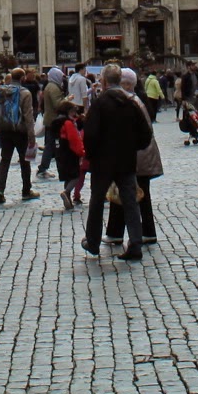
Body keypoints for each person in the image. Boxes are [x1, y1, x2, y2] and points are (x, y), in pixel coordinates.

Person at [80, 62, 149, 260]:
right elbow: (146, 133)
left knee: (97, 201)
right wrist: (132, 148)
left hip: (103, 162)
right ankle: (135, 244)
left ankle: (92, 242)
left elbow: (90, 135)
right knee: (130, 202)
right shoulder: (131, 102)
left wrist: (91, 155)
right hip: (126, 161)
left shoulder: (100, 103)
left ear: (103, 80)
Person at [104, 70, 160, 248]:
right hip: (141, 156)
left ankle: (117, 234)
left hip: (136, 157)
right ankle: (144, 232)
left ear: (127, 84)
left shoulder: (131, 102)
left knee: (125, 194)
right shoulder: (136, 101)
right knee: (134, 194)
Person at [0, 67, 40, 204]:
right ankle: (26, 190)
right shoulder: (25, 93)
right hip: (20, 131)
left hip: (4, 130)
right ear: (23, 78)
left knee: (5, 160)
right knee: (25, 161)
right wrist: (32, 136)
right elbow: (28, 116)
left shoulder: (2, 91)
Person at [36, 66, 68, 176]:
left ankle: (43, 168)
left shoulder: (50, 86)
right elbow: (57, 104)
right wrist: (67, 100)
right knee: (52, 145)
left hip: (50, 119)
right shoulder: (54, 87)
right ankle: (44, 168)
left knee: (50, 145)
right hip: (54, 120)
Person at [55, 101, 86, 207]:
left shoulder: (58, 121)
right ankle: (66, 192)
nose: (75, 113)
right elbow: (74, 139)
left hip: (60, 152)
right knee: (75, 176)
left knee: (68, 176)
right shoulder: (68, 123)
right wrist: (81, 152)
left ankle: (67, 199)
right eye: (73, 111)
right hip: (70, 153)